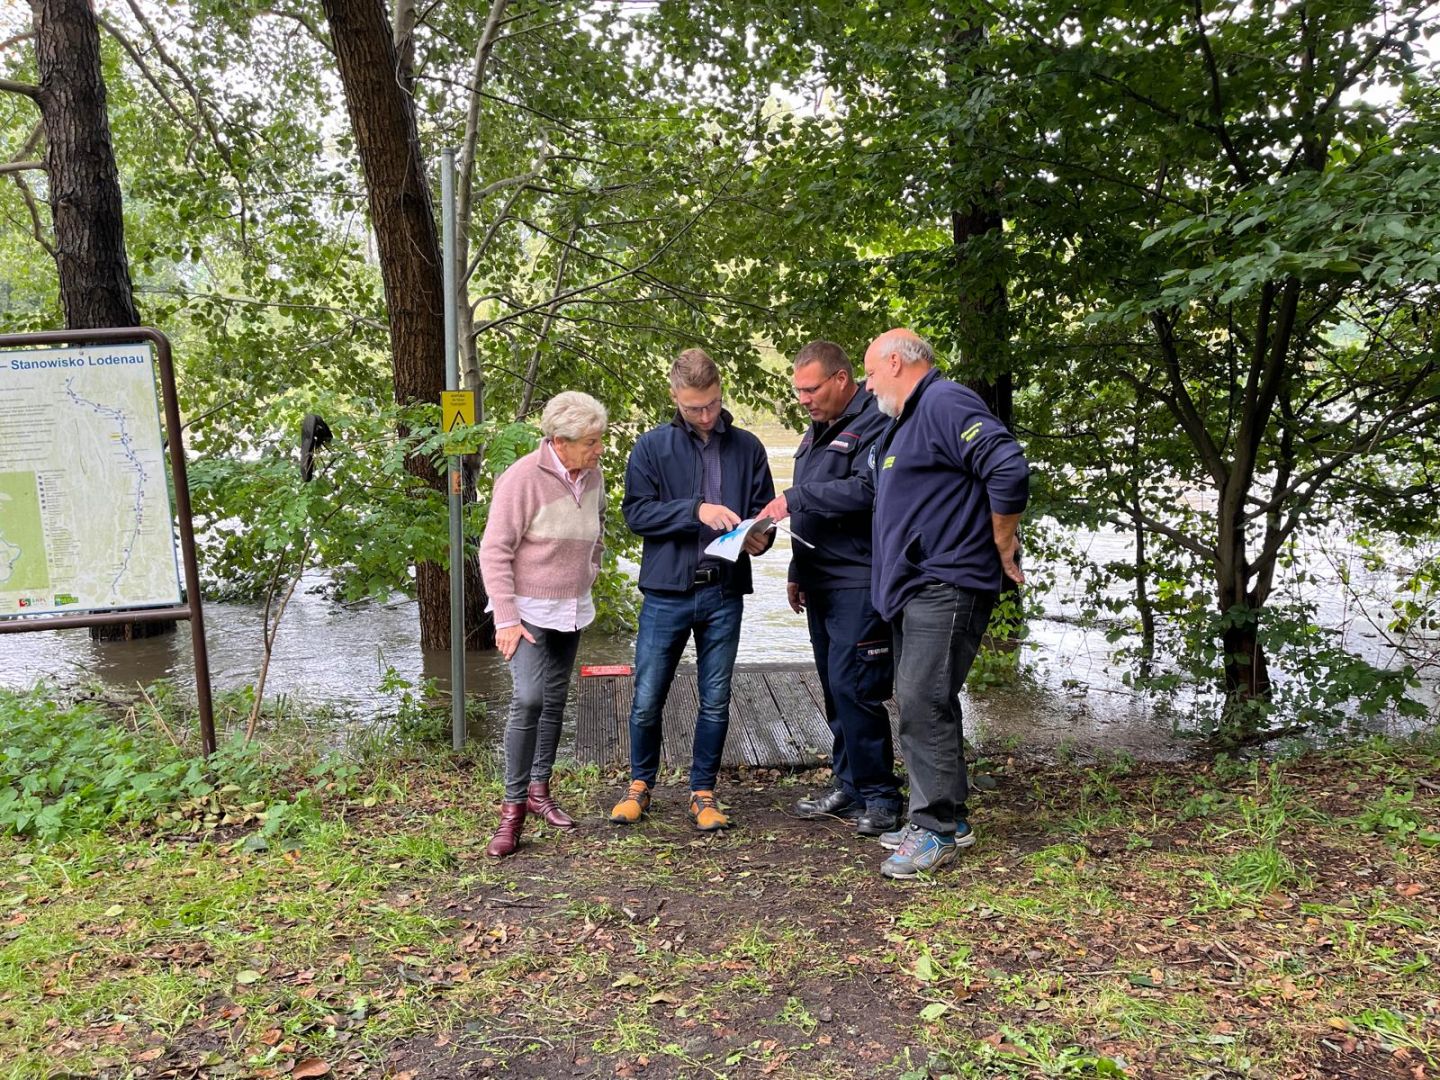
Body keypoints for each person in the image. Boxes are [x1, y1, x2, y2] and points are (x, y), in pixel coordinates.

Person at [862, 328, 1029, 879]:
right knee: (930, 698)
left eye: (868, 373)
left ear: (894, 361)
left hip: (947, 582)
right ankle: (949, 818)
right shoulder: (907, 420)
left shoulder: (944, 400)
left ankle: (933, 831)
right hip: (916, 586)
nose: (866, 386)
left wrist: (1003, 540)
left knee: (919, 699)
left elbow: (1007, 467)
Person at [609, 348, 775, 831]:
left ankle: (703, 793)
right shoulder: (650, 448)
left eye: (711, 404)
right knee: (646, 696)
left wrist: (761, 539)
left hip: (724, 591)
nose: (704, 415)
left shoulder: (748, 448)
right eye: (693, 408)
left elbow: (764, 516)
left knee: (716, 697)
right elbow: (636, 515)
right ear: (674, 397)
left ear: (721, 391)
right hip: (666, 592)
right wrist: (694, 510)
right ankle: (640, 785)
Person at [757, 340, 901, 836]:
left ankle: (882, 795)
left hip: (859, 581)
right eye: (798, 390)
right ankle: (850, 784)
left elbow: (867, 491)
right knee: (833, 687)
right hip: (821, 578)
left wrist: (794, 496)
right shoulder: (817, 429)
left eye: (811, 388)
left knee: (856, 686)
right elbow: (816, 514)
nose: (804, 399)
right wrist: (797, 569)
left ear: (842, 379)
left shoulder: (879, 421)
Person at [479, 391, 608, 858]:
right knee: (529, 698)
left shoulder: (593, 476)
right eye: (591, 442)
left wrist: (589, 572)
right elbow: (493, 551)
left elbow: (598, 531)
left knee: (554, 701)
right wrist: (507, 618)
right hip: (527, 611)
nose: (598, 450)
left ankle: (539, 792)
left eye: (599, 440)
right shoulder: (521, 479)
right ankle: (511, 811)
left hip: (572, 607)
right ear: (560, 441)